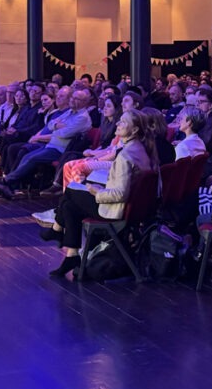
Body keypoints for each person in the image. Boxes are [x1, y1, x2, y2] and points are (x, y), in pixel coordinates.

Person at [43, 109, 159, 277]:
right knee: (69, 206)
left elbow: (120, 194)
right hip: (131, 208)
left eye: (123, 122)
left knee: (70, 192)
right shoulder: (140, 148)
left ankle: (57, 228)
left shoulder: (125, 155)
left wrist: (97, 191)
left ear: (134, 130)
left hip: (115, 209)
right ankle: (71, 254)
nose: (118, 124)